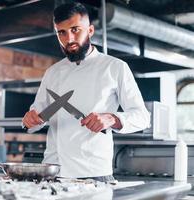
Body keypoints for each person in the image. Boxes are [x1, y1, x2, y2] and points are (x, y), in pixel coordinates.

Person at [22, 2, 150, 181]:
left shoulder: (115, 67)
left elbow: (142, 117)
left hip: (94, 173)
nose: (69, 39)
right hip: (53, 172)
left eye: (75, 30)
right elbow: (37, 119)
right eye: (62, 32)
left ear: (90, 30)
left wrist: (112, 119)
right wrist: (30, 120)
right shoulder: (52, 72)